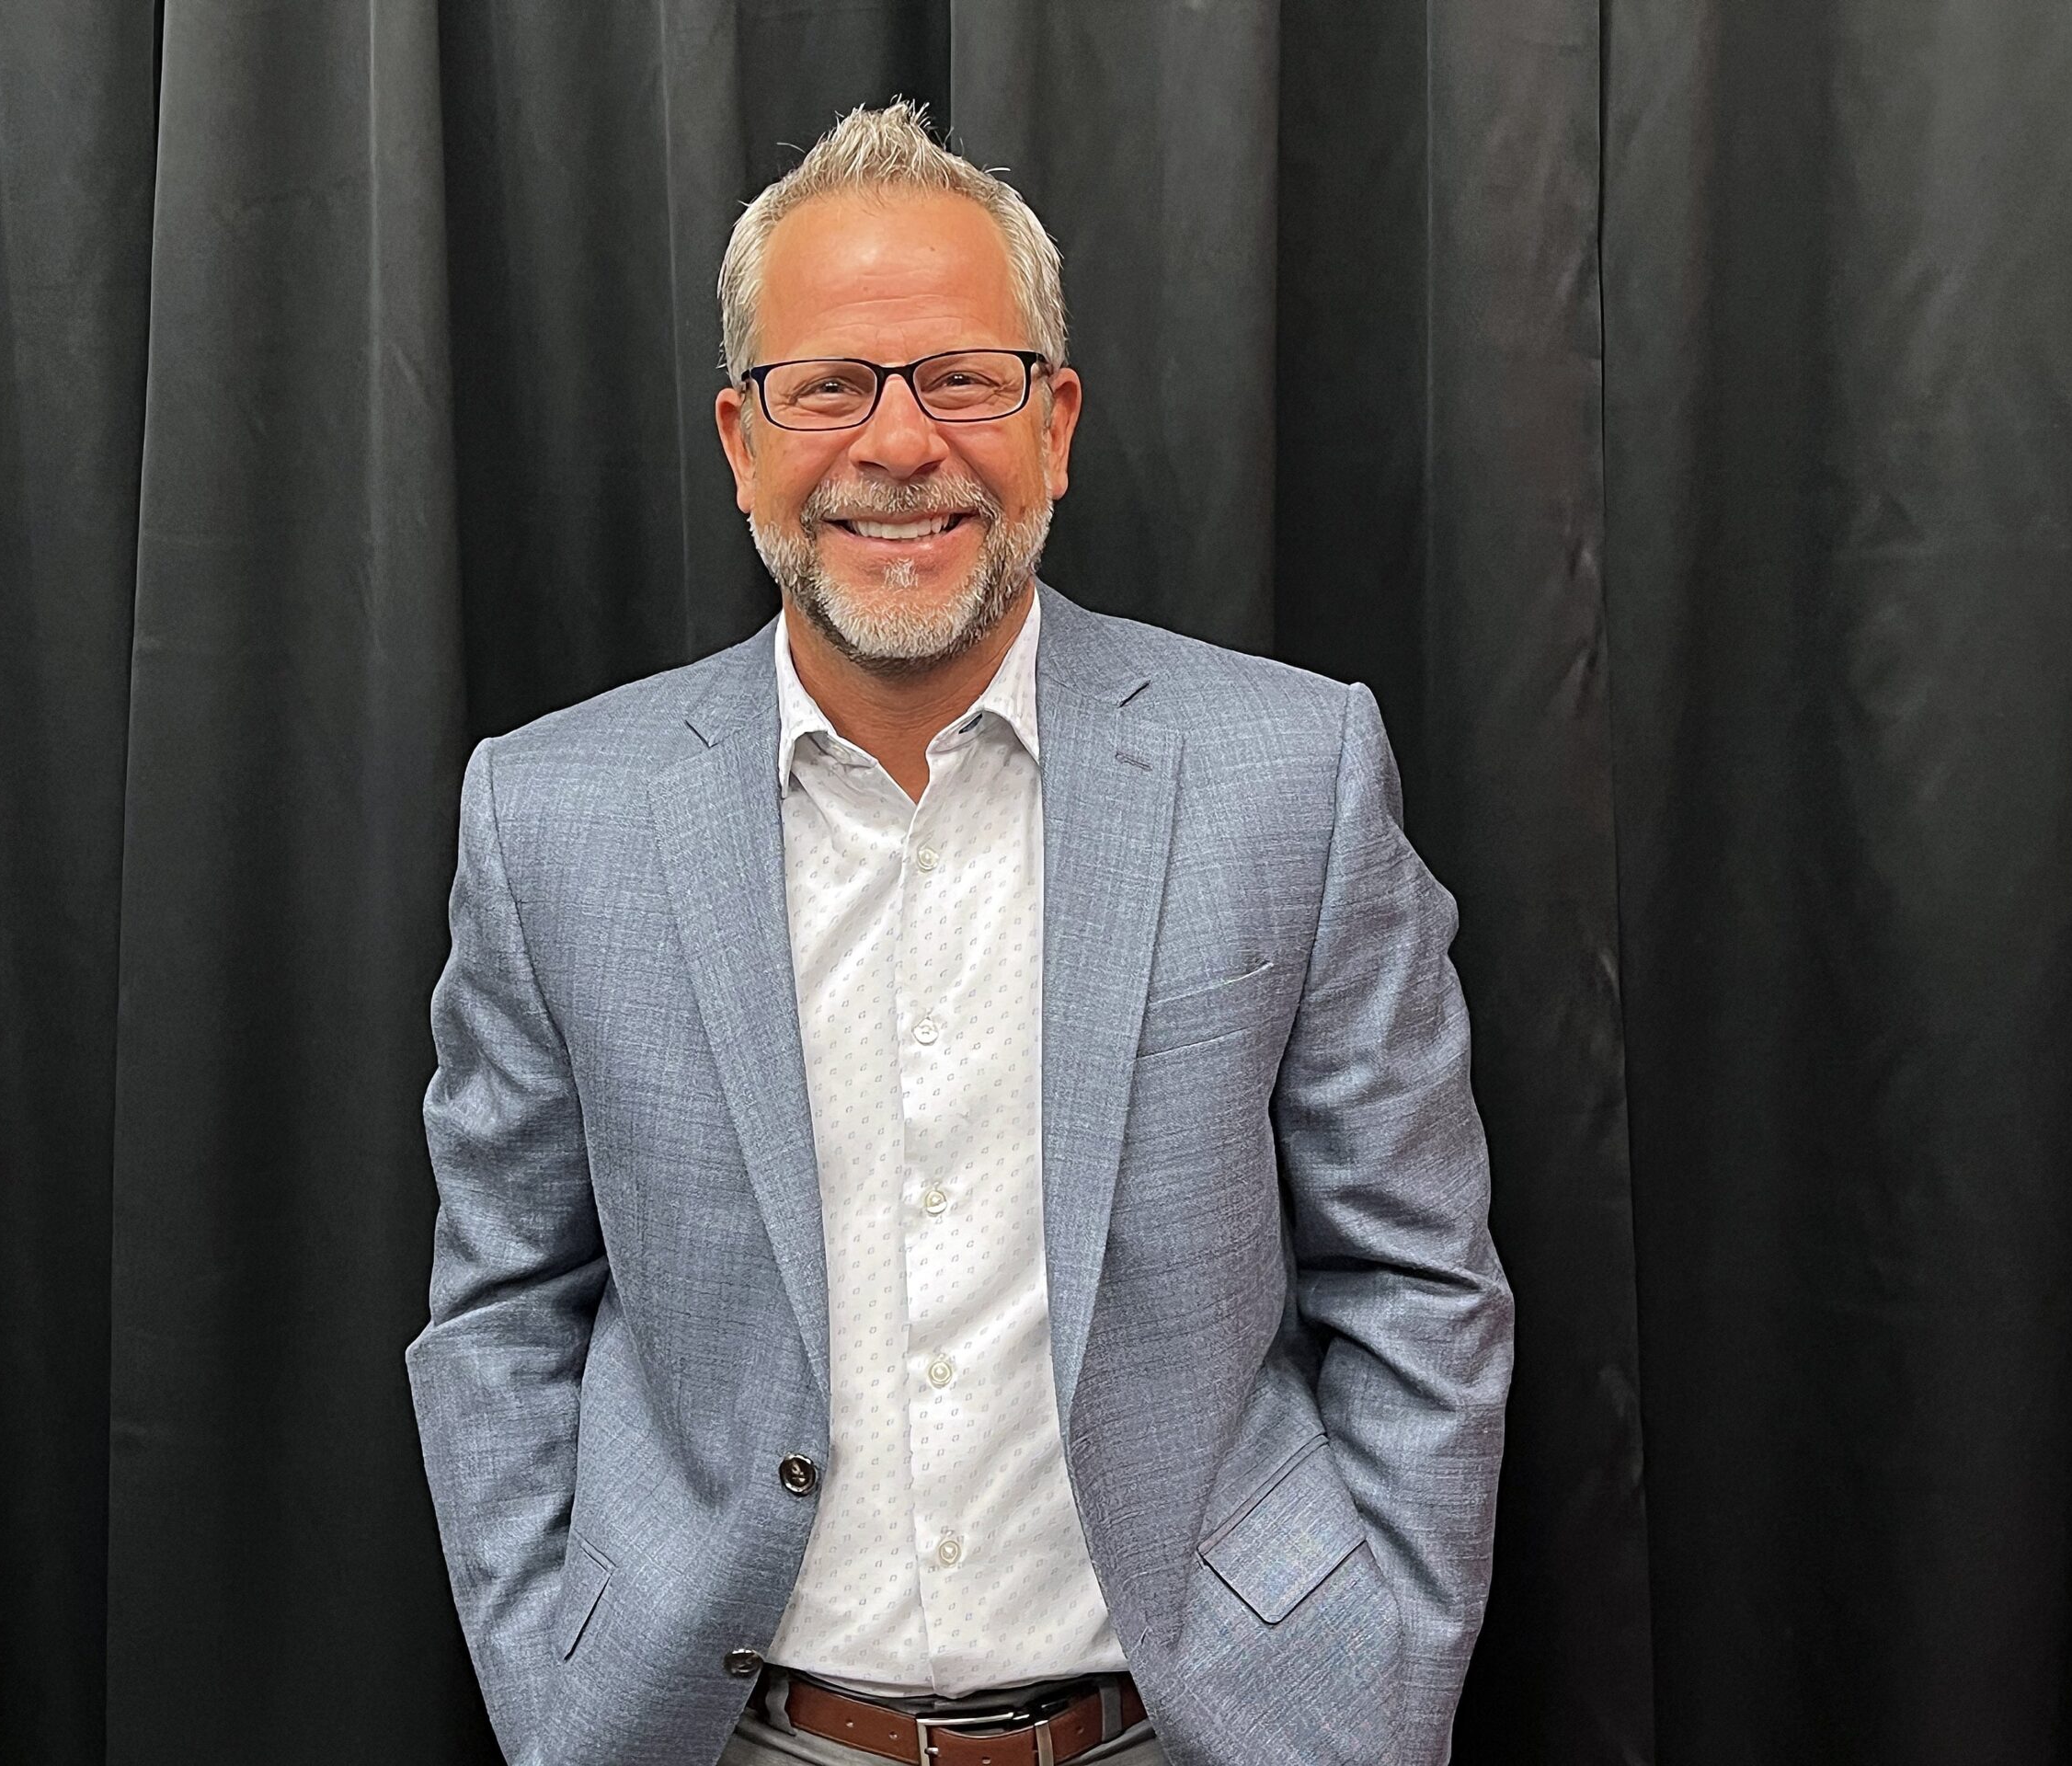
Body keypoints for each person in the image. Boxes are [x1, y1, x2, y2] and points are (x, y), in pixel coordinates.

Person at [407, 99, 1513, 1766]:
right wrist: (556, 1689)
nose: (901, 444)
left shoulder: (1292, 775)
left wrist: (1376, 1689)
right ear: (741, 438)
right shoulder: (551, 817)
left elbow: (1420, 1275)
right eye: (830, 386)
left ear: (1055, 422)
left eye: (964, 379)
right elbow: (499, 1306)